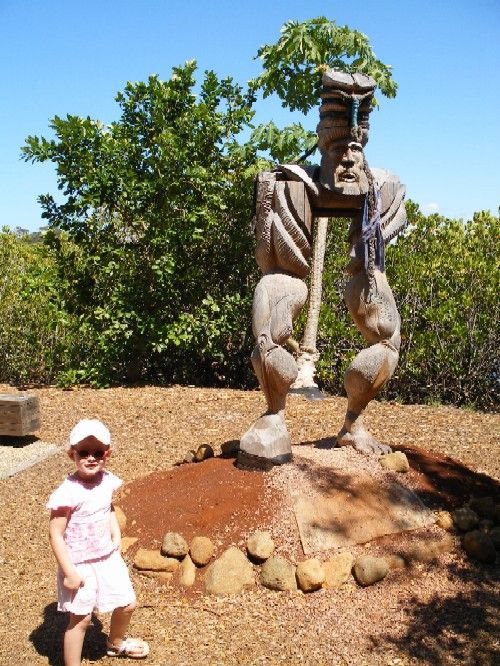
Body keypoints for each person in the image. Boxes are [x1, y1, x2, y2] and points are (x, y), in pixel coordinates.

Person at [47, 419, 149, 664]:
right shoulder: (68, 492)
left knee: (127, 604)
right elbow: (55, 533)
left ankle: (115, 644)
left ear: (107, 454)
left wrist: (115, 532)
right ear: (72, 454)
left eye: (98, 452)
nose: (91, 457)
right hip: (80, 562)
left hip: (106, 556)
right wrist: (69, 571)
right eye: (84, 452)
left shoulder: (106, 481)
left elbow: (108, 508)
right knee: (80, 619)